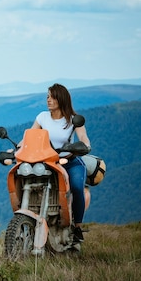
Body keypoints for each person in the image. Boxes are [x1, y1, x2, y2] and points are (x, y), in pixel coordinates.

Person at [25, 83, 91, 242]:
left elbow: (83, 137)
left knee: (76, 186)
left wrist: (84, 145)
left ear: (61, 99)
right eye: (47, 96)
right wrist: (18, 148)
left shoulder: (74, 120)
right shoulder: (42, 117)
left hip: (70, 162)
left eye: (52, 97)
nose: (48, 100)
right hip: (48, 162)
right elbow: (30, 136)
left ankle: (77, 228)